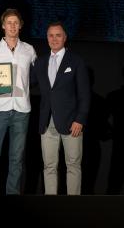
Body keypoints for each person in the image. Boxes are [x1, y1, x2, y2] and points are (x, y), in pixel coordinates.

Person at [0, 9, 36, 194]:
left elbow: (35, 76)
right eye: (8, 22)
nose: (12, 26)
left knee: (16, 160)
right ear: (3, 26)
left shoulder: (29, 50)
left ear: (20, 26)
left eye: (15, 22)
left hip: (21, 111)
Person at [31, 21, 90, 195]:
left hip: (71, 122)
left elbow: (84, 94)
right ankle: (51, 204)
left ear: (65, 37)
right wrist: (0, 83)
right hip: (46, 123)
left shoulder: (76, 61)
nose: (54, 38)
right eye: (51, 35)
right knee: (49, 166)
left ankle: (72, 206)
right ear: (47, 38)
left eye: (58, 35)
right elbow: (27, 83)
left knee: (72, 165)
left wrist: (80, 119)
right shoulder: (40, 63)